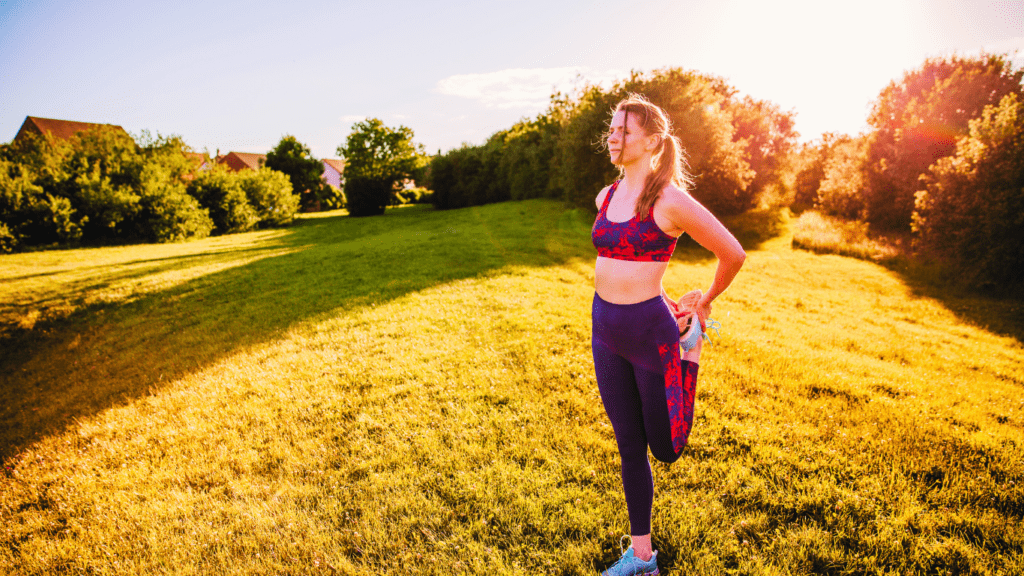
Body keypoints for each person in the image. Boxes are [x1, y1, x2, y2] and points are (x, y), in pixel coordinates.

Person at [591, 94, 746, 575]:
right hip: (605, 331)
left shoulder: (670, 201)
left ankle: (691, 349)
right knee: (628, 445)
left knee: (665, 448)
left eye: (624, 131)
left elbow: (733, 253)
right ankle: (643, 558)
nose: (613, 137)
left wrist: (706, 300)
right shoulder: (605, 196)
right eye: (612, 129)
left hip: (651, 334)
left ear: (652, 141)